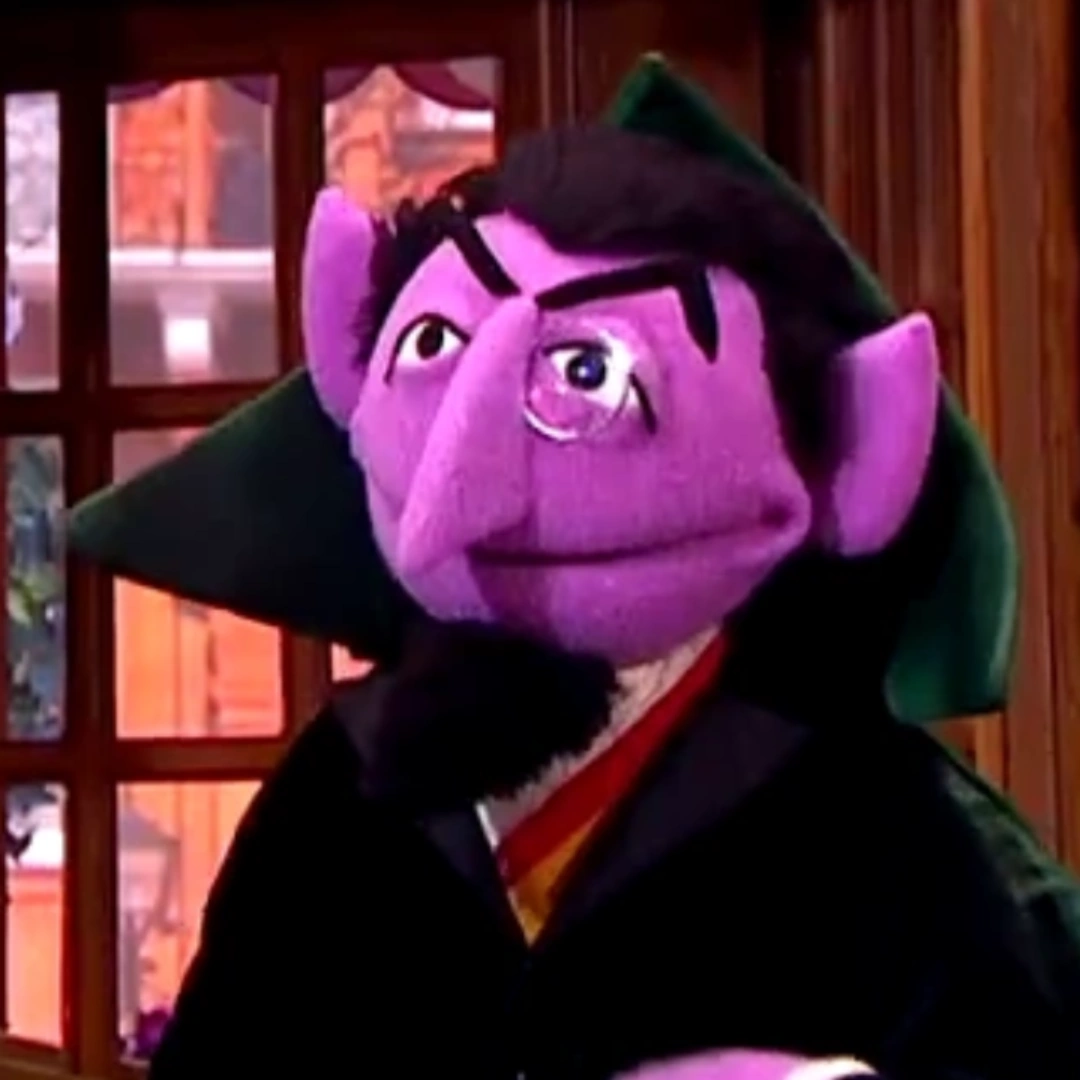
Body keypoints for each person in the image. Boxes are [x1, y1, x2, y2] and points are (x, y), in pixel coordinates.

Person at [68, 56, 1080, 1079]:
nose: (472, 473)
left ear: (843, 454)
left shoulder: (864, 816)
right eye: (438, 345)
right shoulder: (344, 791)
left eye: (591, 374)